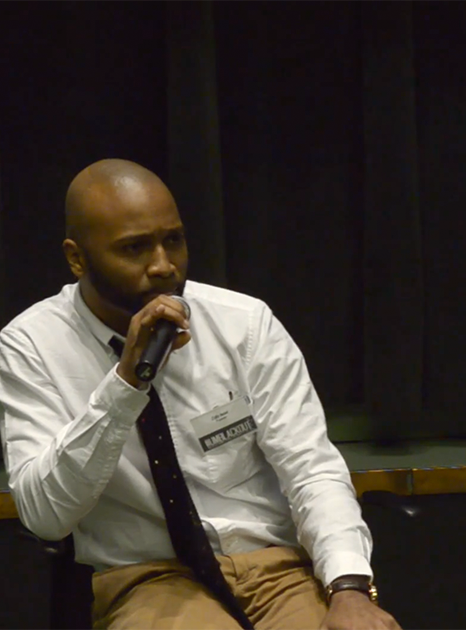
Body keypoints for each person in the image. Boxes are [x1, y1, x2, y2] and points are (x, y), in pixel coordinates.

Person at [0, 159, 402, 630]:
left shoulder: (243, 324)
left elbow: (310, 468)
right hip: (147, 580)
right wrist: (125, 385)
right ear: (77, 258)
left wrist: (349, 587)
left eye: (173, 240)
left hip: (274, 568)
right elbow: (44, 515)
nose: (163, 266)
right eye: (134, 248)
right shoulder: (30, 344)